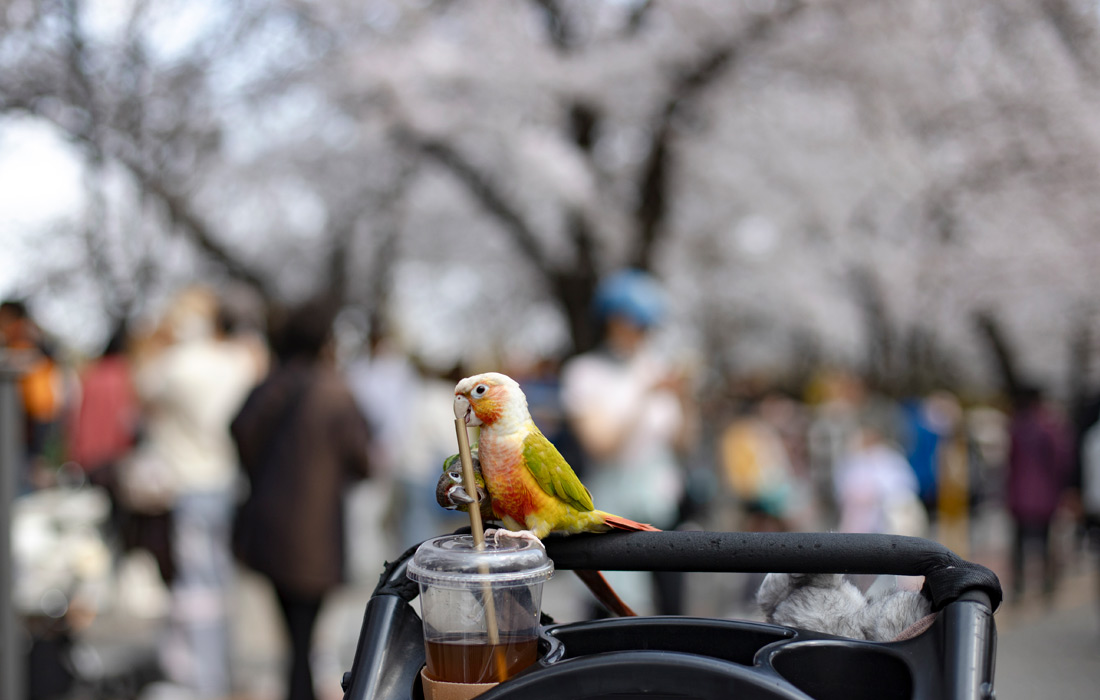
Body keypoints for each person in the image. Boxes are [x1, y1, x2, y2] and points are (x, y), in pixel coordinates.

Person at [230, 298, 371, 700]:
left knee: (295, 639)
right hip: (315, 534)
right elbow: (363, 460)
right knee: (304, 638)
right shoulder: (334, 391)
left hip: (269, 528)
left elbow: (240, 435)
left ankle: (299, 688)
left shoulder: (269, 385)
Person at [132, 287, 265, 698]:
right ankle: (220, 673)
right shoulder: (237, 361)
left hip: (187, 487)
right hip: (227, 483)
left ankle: (201, 679)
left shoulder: (174, 366)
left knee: (194, 588)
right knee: (222, 586)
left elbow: (140, 386)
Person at [560, 269, 695, 616]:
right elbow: (599, 445)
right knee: (609, 613)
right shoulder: (584, 373)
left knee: (670, 612)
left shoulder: (656, 366)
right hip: (612, 511)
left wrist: (683, 399)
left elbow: (683, 444)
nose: (637, 332)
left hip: (663, 507)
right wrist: (643, 396)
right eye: (630, 321)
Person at [1005, 385, 1073, 602]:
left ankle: (1018, 587)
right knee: (1044, 541)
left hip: (1018, 493)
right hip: (1045, 494)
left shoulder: (1017, 426)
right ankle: (1047, 585)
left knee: (1019, 543)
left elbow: (1010, 461)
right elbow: (1060, 461)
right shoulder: (1050, 427)